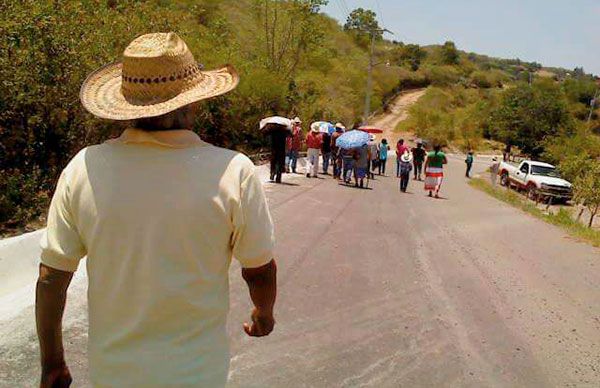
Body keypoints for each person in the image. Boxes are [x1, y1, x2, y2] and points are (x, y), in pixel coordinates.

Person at [35, 33, 277, 388]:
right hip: (199, 374)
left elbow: (51, 277)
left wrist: (53, 363)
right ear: (193, 103)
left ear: (125, 104)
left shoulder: (83, 169)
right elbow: (259, 269)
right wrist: (263, 313)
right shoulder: (233, 171)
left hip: (113, 374)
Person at [260, 117, 292, 183]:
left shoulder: (272, 129)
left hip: (274, 148)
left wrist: (265, 127)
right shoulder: (284, 130)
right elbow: (291, 135)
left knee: (273, 161)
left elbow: (264, 133)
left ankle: (272, 172)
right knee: (280, 162)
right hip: (282, 149)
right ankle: (278, 177)